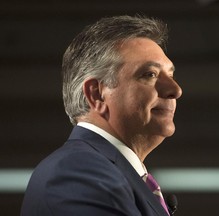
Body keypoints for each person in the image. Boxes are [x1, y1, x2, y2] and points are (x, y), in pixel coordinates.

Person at [21, 15, 182, 216]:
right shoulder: (78, 173)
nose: (175, 90)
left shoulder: (107, 172)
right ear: (97, 94)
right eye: (150, 74)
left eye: (171, 75)